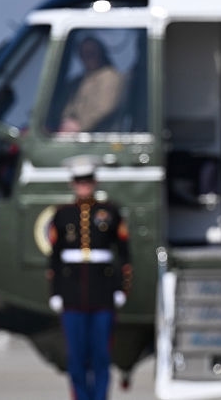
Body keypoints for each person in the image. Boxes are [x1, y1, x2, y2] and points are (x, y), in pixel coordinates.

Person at [46, 155, 132, 400]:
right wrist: (55, 292)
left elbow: (124, 256)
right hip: (72, 293)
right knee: (76, 356)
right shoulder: (62, 215)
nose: (84, 185)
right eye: (79, 181)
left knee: (101, 356)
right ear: (73, 184)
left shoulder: (110, 212)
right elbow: (54, 258)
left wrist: (121, 289)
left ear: (95, 182)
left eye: (87, 180)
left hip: (102, 291)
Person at [58, 36, 124, 133]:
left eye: (92, 53)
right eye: (84, 54)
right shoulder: (77, 81)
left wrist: (79, 127)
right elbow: (68, 107)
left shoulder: (110, 77)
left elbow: (105, 109)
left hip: (97, 137)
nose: (88, 57)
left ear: (101, 54)